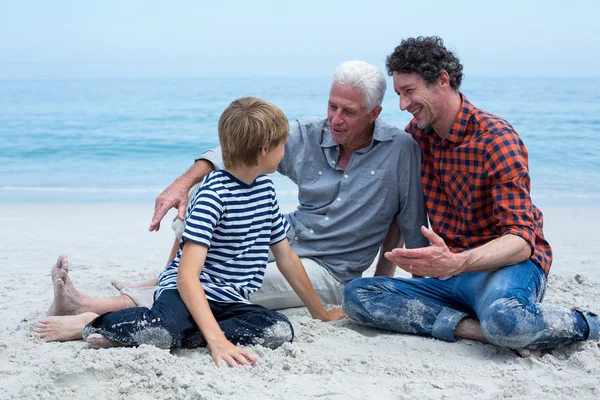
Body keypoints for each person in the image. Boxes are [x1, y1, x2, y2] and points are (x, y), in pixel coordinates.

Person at [38, 97, 345, 368]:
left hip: (228, 297)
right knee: (165, 324)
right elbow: (187, 276)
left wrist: (320, 312)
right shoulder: (214, 194)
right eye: (282, 145)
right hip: (185, 291)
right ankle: (89, 324)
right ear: (264, 150)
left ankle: (154, 335)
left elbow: (287, 258)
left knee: (278, 329)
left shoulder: (265, 190)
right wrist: (217, 342)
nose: (284, 151)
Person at [342, 36, 599, 353]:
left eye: (409, 92)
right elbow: (400, 206)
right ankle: (476, 329)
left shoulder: (496, 139)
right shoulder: (416, 139)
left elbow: (521, 241)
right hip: (449, 274)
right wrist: (392, 276)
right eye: (398, 94)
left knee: (507, 320)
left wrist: (455, 263)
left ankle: (589, 324)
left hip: (505, 267)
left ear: (442, 81)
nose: (403, 105)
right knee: (358, 295)